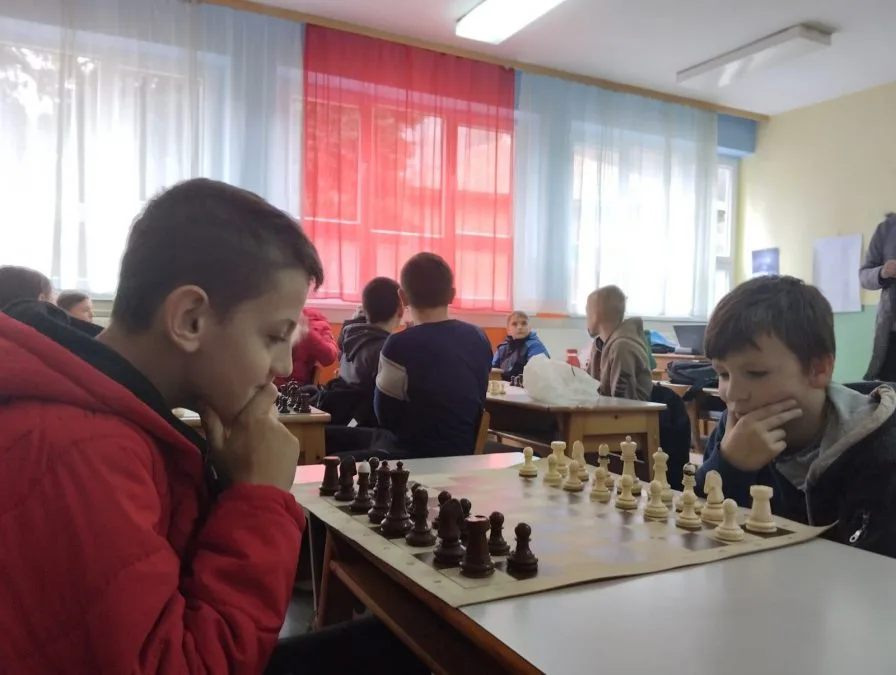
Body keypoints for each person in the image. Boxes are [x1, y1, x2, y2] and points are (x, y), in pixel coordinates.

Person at [0, 178, 428, 673]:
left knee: (410, 641)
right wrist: (259, 499)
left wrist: (227, 485)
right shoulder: (82, 452)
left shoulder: (111, 416)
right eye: (274, 336)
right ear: (190, 319)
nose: (283, 365)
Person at [696, 275, 896, 558]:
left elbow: (872, 568)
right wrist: (729, 465)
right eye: (723, 374)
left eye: (756, 373)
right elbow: (695, 527)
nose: (734, 395)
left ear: (818, 369)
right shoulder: (735, 427)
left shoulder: (880, 447)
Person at [375, 252, 492, 457]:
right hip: (464, 455)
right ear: (452, 294)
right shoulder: (479, 337)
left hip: (411, 458)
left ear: (402, 297)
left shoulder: (398, 345)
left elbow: (384, 416)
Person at [317, 277, 403, 426]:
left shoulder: (350, 336)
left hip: (344, 420)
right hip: (367, 427)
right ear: (400, 310)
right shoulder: (386, 351)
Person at [585, 285, 652, 401]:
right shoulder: (600, 345)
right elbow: (587, 388)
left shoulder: (622, 347)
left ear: (596, 315)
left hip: (631, 412)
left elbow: (623, 403)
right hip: (606, 409)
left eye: (587, 312)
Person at [859, 212, 896, 380]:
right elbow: (864, 276)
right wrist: (882, 272)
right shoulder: (887, 229)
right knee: (889, 390)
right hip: (892, 334)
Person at [275, 307, 338, 387]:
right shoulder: (273, 317)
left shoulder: (317, 324)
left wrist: (308, 333)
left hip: (297, 386)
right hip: (270, 381)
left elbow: (329, 358)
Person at [491, 310, 549, 382]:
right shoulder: (502, 348)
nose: (519, 327)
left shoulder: (535, 346)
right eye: (514, 324)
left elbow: (538, 373)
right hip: (505, 386)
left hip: (527, 387)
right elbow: (492, 369)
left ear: (529, 327)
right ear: (508, 330)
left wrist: (503, 373)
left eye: (524, 323)